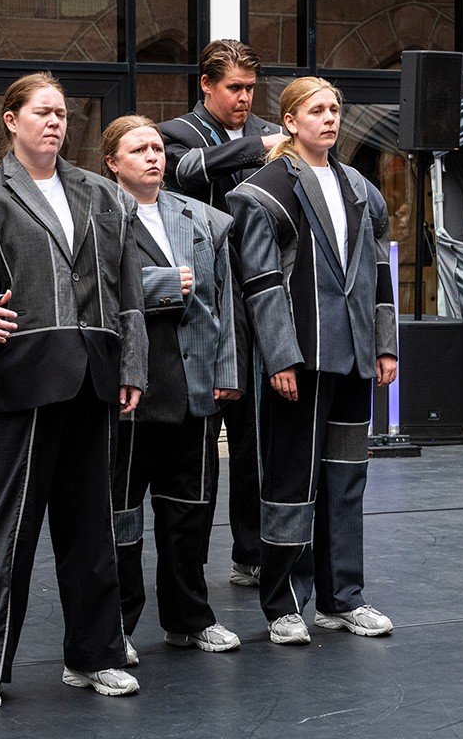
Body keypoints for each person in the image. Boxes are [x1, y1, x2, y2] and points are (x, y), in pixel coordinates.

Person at [0, 72, 148, 710]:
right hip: (18, 380)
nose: (55, 122)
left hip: (93, 379)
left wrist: (132, 367)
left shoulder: (104, 196)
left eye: (61, 114)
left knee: (91, 531)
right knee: (6, 532)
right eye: (42, 112)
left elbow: (129, 292)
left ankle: (95, 657)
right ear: (11, 120)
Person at [225, 77, 397, 644]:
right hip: (299, 359)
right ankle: (284, 605)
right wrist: (279, 357)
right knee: (291, 483)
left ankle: (342, 599)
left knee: (346, 479)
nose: (329, 118)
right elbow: (260, 283)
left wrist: (385, 344)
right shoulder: (263, 190)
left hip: (353, 357)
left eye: (335, 109)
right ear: (291, 121)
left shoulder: (361, 189)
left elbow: (379, 271)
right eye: (317, 110)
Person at [101, 115, 244, 663]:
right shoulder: (95, 216)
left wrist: (227, 373)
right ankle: (117, 626)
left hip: (194, 388)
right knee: (122, 517)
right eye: (139, 149)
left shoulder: (201, 216)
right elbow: (88, 289)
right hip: (131, 390)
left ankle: (189, 619)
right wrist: (160, 285)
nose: (153, 157)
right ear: (112, 162)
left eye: (158, 148)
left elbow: (224, 302)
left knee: (190, 512)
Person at [159, 39, 285, 588]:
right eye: (234, 87)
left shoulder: (269, 130)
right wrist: (261, 148)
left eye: (251, 88)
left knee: (257, 438)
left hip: (262, 296)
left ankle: (252, 553)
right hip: (203, 303)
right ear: (206, 84)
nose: (244, 98)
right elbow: (188, 171)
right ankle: (188, 570)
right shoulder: (175, 133)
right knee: (201, 447)